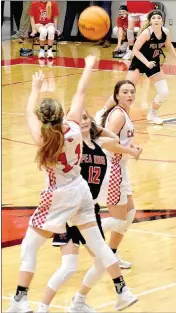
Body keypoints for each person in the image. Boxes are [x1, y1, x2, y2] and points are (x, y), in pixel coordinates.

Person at [7, 56, 137, 313]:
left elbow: (27, 113)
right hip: (81, 190)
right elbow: (80, 91)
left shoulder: (42, 139)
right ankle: (122, 290)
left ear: (43, 121)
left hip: (57, 195)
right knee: (98, 244)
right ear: (61, 114)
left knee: (29, 245)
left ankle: (21, 299)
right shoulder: (75, 128)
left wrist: (34, 89)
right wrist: (89, 65)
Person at [68, 79, 142, 313]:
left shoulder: (122, 112)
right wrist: (130, 150)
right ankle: (93, 237)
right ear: (117, 95)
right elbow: (109, 144)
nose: (130, 95)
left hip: (122, 168)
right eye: (125, 92)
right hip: (113, 169)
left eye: (132, 91)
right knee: (121, 217)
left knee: (130, 212)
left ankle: (110, 253)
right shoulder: (118, 115)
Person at [96, 10, 176, 125]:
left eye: (159, 18)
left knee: (164, 92)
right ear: (150, 21)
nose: (156, 20)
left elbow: (168, 45)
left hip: (153, 63)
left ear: (162, 20)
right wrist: (146, 62)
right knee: (125, 90)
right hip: (139, 62)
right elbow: (135, 50)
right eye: (154, 18)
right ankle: (103, 112)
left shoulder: (166, 32)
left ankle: (152, 114)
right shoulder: (146, 33)